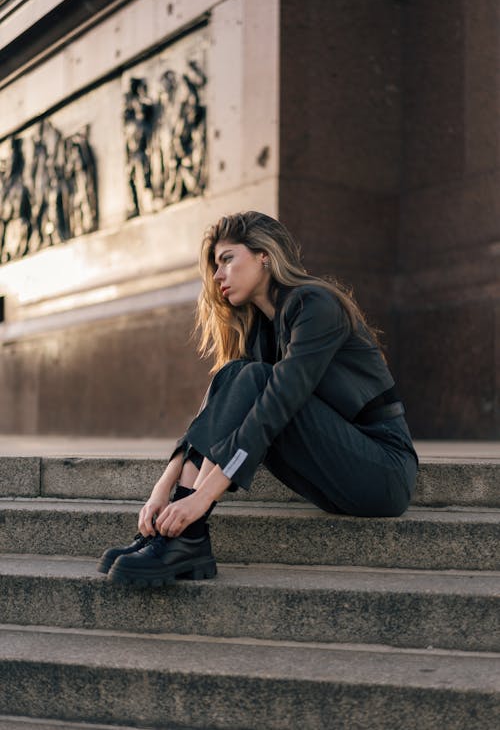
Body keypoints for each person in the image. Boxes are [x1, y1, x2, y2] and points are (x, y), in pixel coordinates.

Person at [98, 211, 418, 586]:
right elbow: (224, 411)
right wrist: (163, 489)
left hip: (382, 471)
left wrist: (201, 500)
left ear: (264, 255)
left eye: (227, 260)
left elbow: (275, 408)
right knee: (235, 373)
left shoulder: (316, 306)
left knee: (252, 379)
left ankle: (187, 532)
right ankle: (179, 532)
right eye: (216, 266)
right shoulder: (262, 331)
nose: (218, 276)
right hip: (335, 465)